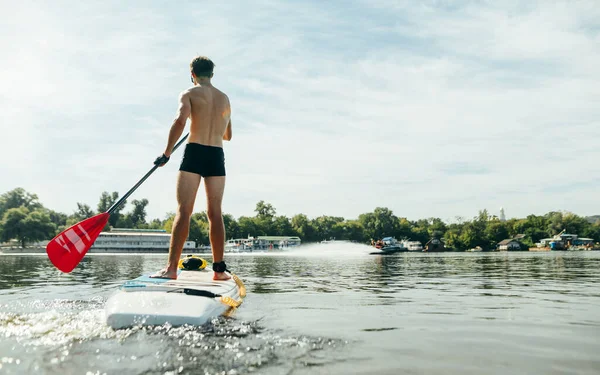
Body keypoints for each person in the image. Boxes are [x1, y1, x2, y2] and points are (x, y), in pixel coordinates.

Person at [151, 56, 232, 281]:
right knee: (215, 213)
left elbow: (180, 121)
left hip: (195, 151)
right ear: (212, 75)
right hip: (216, 154)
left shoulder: (188, 93)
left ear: (192, 74)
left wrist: (166, 153)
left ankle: (171, 269)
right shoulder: (225, 99)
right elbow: (228, 135)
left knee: (184, 211)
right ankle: (219, 270)